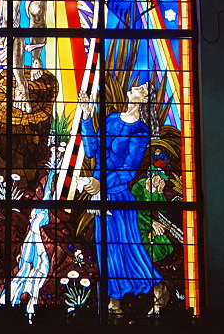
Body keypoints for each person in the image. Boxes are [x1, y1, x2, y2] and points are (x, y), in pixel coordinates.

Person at [78, 82, 169, 317]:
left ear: (145, 99)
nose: (137, 86)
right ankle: (114, 301)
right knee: (106, 249)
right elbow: (92, 151)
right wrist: (87, 118)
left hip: (118, 196)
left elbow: (129, 171)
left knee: (128, 248)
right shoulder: (110, 119)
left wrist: (102, 183)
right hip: (99, 193)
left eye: (142, 88)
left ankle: (158, 287)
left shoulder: (140, 131)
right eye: (138, 85)